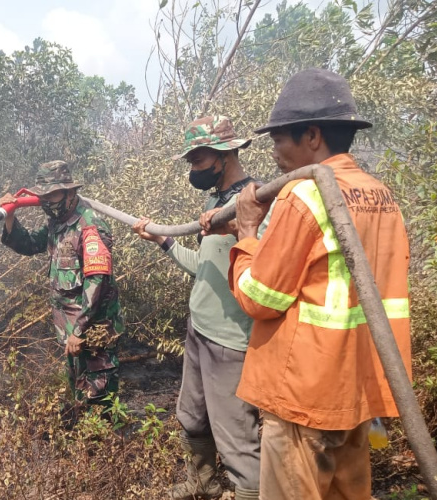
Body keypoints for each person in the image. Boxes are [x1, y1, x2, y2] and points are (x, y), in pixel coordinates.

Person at [202, 68, 411, 499]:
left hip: (304, 397)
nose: (275, 151)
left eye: (280, 139)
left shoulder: (306, 195)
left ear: (312, 136)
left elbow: (259, 297)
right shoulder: (380, 195)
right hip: (356, 393)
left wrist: (246, 234)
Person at [132, 115, 263, 500]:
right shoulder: (214, 202)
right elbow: (205, 268)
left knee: (237, 440)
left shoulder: (256, 204)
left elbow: (269, 271)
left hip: (232, 341)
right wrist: (164, 242)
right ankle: (203, 485)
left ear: (225, 155)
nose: (193, 169)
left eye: (199, 160)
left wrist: (241, 228)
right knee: (192, 419)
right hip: (200, 330)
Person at [0, 160, 123, 407]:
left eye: (52, 194)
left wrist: (79, 330)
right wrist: (10, 216)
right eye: (43, 195)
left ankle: (106, 441)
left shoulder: (89, 225)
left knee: (99, 398)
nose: (47, 201)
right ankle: (85, 442)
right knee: (79, 394)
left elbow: (97, 281)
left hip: (92, 330)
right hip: (71, 332)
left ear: (70, 192)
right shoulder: (57, 223)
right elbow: (30, 244)